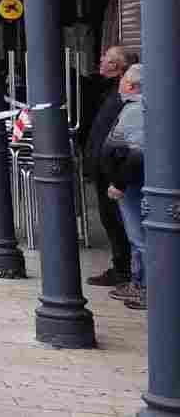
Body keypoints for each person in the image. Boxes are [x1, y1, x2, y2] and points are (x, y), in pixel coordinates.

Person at [78, 47, 137, 287]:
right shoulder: (107, 90)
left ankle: (127, 271)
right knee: (111, 219)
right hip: (105, 168)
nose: (100, 60)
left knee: (119, 221)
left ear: (116, 66)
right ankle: (123, 267)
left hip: (115, 169)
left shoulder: (124, 94)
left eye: (106, 58)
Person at [100, 63, 148, 310]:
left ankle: (145, 288)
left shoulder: (136, 111)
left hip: (133, 182)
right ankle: (140, 283)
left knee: (139, 237)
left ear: (129, 84)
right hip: (133, 180)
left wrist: (118, 183)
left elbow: (137, 152)